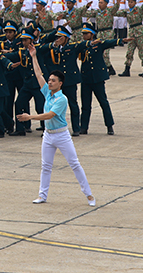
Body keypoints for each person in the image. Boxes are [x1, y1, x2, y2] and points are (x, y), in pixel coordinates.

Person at [17, 43, 96, 207]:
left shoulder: (62, 99)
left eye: (53, 80)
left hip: (61, 135)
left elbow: (50, 115)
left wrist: (29, 117)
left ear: (60, 83)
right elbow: (38, 74)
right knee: (45, 166)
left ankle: (88, 194)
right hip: (48, 134)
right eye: (49, 80)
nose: (49, 82)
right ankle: (42, 195)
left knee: (74, 164)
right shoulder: (47, 92)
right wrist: (34, 56)